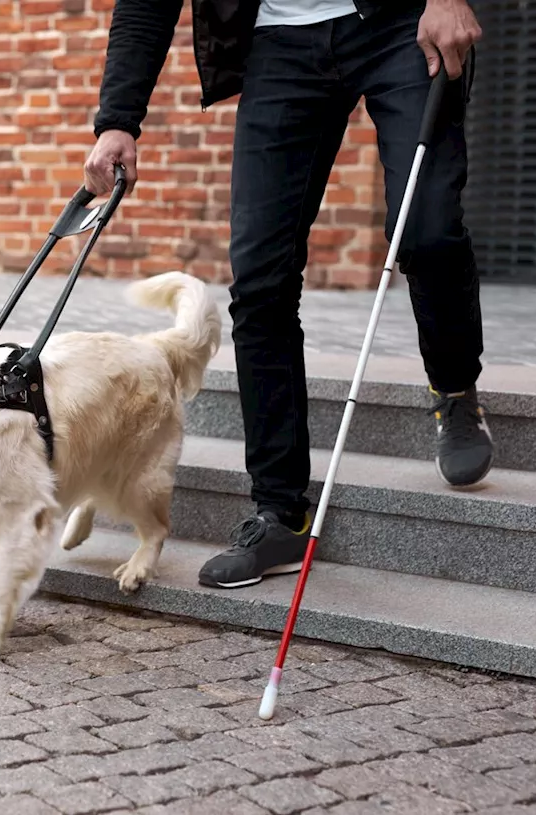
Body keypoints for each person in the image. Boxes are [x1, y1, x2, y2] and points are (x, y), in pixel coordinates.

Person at [83, 0, 493, 589]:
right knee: (260, 281)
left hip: (398, 22)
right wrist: (118, 118)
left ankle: (454, 387)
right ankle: (280, 512)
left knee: (425, 232)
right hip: (279, 42)